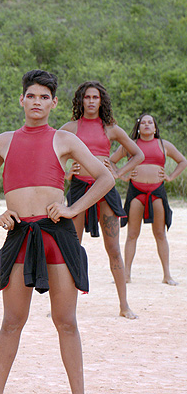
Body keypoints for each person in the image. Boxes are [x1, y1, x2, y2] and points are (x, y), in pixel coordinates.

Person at [0, 70, 114, 394]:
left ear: (54, 103)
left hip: (57, 236)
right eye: (31, 96)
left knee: (66, 322)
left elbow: (105, 178)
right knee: (11, 322)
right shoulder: (4, 141)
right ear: (21, 100)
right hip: (20, 234)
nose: (37, 102)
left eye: (44, 97)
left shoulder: (64, 139)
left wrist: (73, 209)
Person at [59, 81, 143, 319]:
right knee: (72, 248)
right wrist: (67, 172)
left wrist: (118, 172)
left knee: (113, 249)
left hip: (105, 190)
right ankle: (66, 307)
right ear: (80, 100)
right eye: (87, 97)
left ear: (101, 101)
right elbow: (53, 154)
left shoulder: (111, 129)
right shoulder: (70, 128)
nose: (91, 101)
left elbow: (138, 154)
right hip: (79, 189)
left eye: (95, 97)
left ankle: (124, 306)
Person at [110, 113, 187, 286]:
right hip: (136, 192)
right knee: (132, 234)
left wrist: (170, 177)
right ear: (138, 127)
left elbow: (183, 161)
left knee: (160, 234)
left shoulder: (163, 144)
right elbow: (111, 161)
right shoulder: (130, 145)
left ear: (155, 127)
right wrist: (122, 176)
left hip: (157, 192)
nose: (146, 125)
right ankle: (126, 275)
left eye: (150, 122)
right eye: (143, 122)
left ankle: (167, 275)